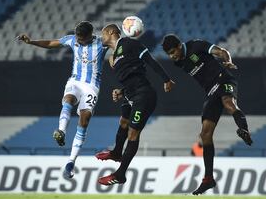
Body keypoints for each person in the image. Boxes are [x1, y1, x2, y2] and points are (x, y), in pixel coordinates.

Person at [161, 34, 253, 195]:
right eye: (169, 54)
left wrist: (228, 60)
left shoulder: (196, 46)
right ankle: (208, 179)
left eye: (173, 51)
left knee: (229, 103)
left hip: (224, 80)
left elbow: (221, 51)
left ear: (179, 45)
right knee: (205, 134)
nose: (172, 56)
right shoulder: (179, 62)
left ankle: (244, 130)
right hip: (211, 92)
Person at [17, 21, 107, 179]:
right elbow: (52, 43)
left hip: (92, 86)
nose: (78, 41)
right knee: (68, 99)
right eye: (77, 38)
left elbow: (117, 45)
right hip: (75, 81)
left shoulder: (101, 42)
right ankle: (61, 131)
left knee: (84, 119)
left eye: (81, 39)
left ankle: (71, 162)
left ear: (90, 35)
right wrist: (31, 42)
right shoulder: (72, 39)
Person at [96, 24, 175, 185]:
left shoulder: (129, 44)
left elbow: (150, 61)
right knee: (123, 122)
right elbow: (132, 75)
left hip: (143, 95)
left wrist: (166, 79)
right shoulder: (113, 57)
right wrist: (121, 91)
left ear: (111, 32)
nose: (101, 37)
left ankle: (120, 174)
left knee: (133, 134)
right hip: (130, 94)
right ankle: (117, 152)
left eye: (103, 33)